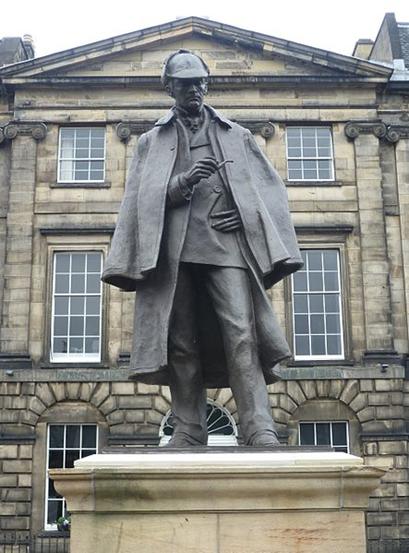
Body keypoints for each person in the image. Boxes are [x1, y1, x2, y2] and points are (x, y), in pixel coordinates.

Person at [102, 50, 303, 447]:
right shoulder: (150, 141)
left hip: (225, 248)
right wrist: (181, 183)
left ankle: (258, 425)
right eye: (184, 83)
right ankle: (190, 427)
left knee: (242, 332)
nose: (193, 89)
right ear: (169, 87)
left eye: (198, 82)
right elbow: (139, 200)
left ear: (206, 85)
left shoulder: (237, 135)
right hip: (173, 253)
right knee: (180, 338)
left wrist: (243, 217)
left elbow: (269, 194)